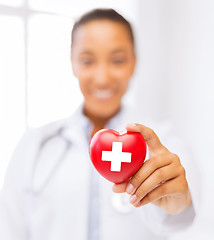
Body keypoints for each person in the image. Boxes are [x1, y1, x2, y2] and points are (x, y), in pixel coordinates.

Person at [0, 8, 197, 240]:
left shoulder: (165, 143)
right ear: (72, 62)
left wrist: (180, 205)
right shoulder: (35, 145)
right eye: (87, 61)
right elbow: (8, 228)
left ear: (134, 62)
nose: (102, 77)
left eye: (117, 60)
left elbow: (190, 223)